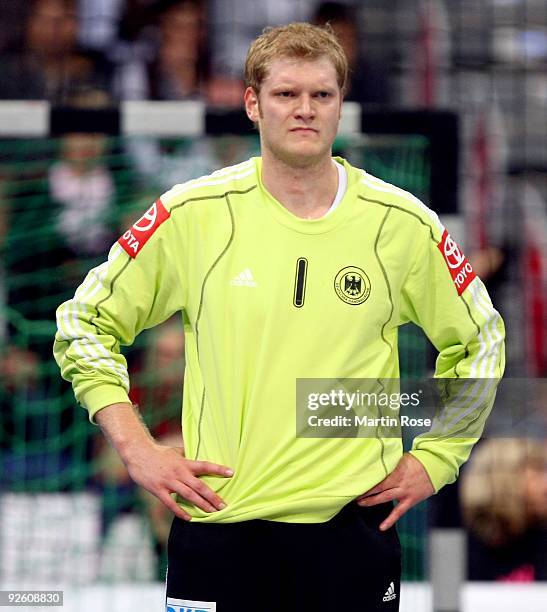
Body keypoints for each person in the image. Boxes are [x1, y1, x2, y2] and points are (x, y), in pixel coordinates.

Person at [54, 22, 505, 611]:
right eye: (286, 94)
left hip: (351, 534)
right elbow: (84, 322)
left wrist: (437, 456)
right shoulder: (195, 214)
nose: (304, 110)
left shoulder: (403, 224)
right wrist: (137, 447)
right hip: (220, 528)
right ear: (251, 103)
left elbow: (482, 340)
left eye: (322, 95)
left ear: (342, 105)